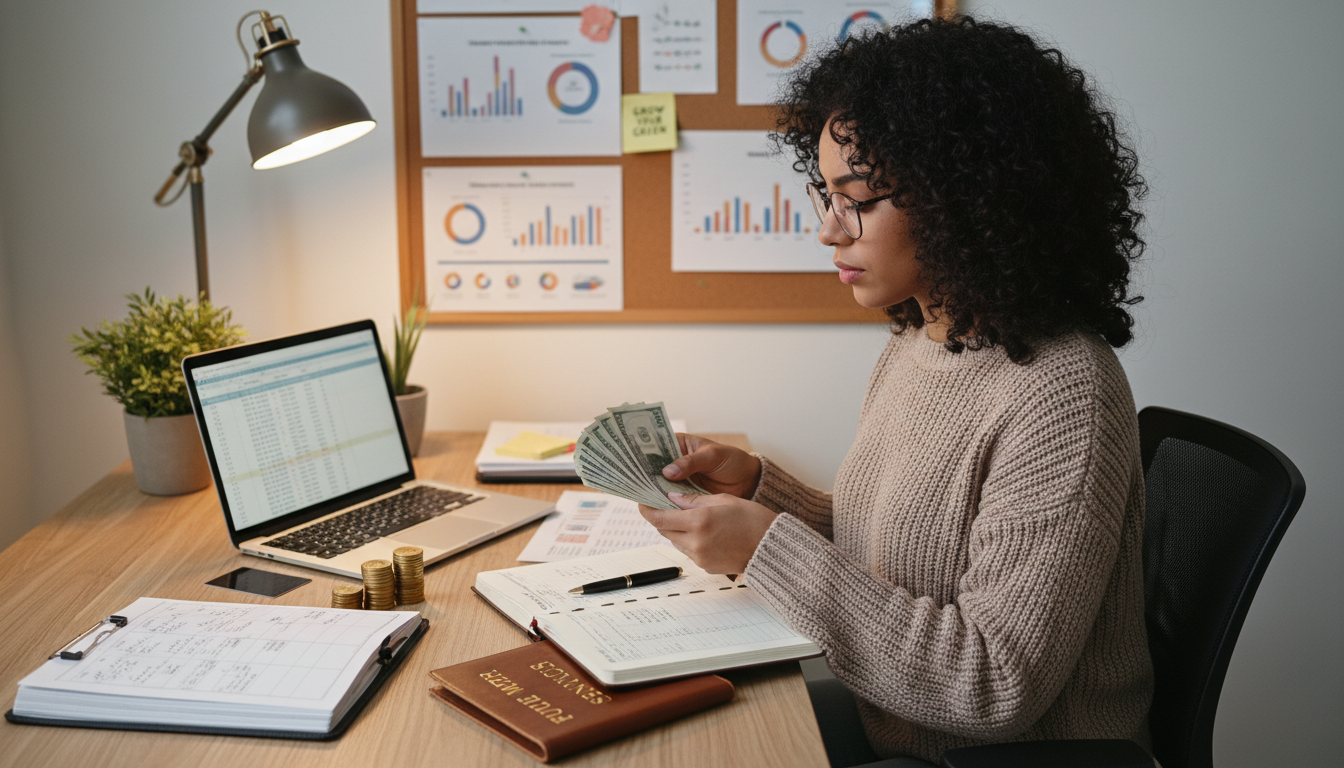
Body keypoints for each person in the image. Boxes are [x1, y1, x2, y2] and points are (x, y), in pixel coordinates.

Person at [638, 16, 1153, 768]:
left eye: (860, 198)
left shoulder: (1063, 393)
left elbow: (990, 684)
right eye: (826, 193)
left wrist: (765, 549)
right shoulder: (919, 342)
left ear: (967, 196)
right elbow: (888, 551)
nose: (828, 230)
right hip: (902, 737)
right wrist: (760, 489)